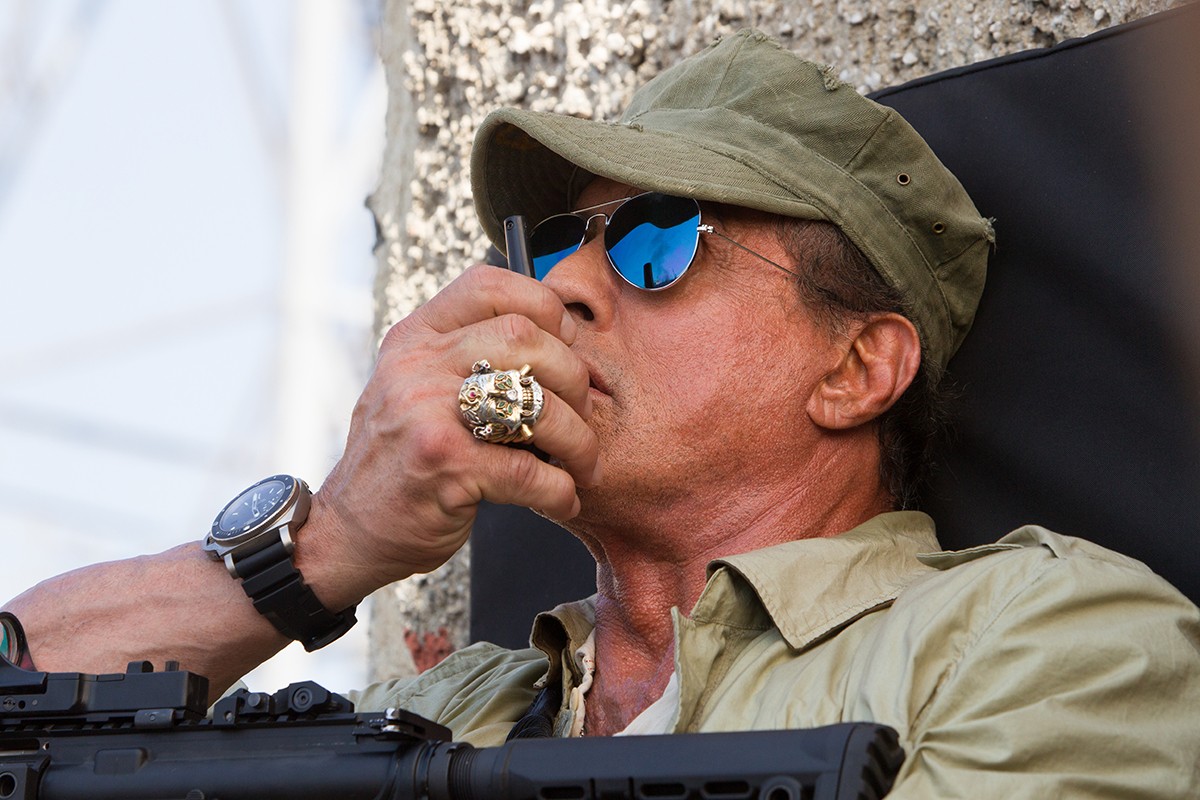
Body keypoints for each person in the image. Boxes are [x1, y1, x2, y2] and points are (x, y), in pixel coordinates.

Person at [5, 29, 1199, 797]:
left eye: (655, 240)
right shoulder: (441, 706)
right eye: (552, 245)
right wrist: (325, 547)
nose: (558, 288)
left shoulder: (1042, 637)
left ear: (857, 368)